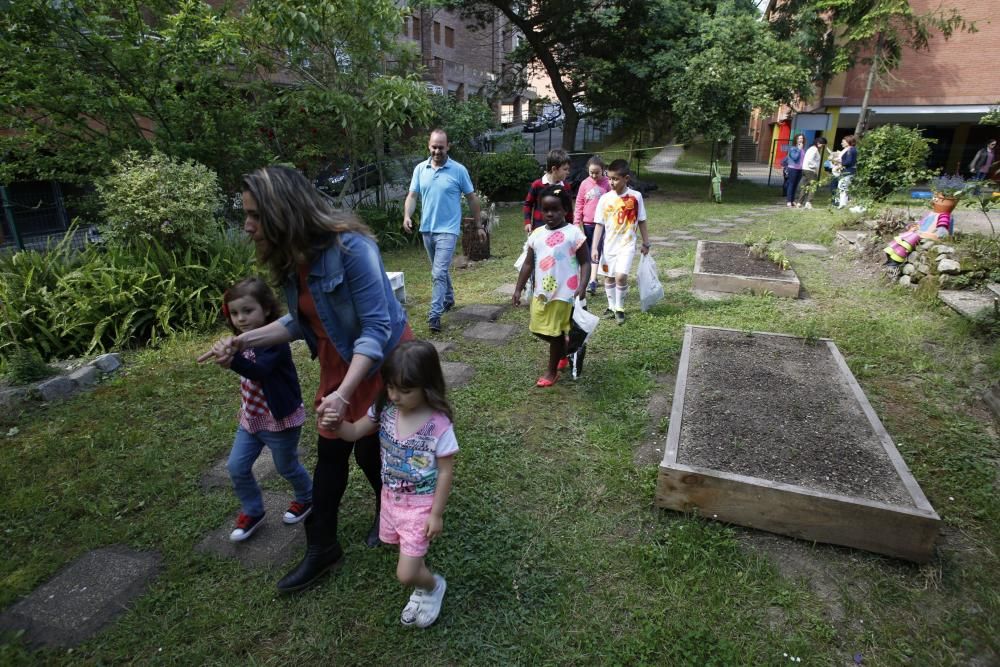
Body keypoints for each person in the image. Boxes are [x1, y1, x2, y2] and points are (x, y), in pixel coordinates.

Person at [199, 165, 413, 593]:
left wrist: (344, 393)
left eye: (255, 214)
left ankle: (384, 511)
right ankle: (323, 547)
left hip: (379, 362)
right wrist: (244, 342)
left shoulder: (352, 248)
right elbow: (300, 324)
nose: (248, 225)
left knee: (369, 450)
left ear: (283, 210)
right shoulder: (294, 260)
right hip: (340, 362)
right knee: (332, 452)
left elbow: (375, 329)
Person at [327, 340, 456, 628]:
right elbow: (355, 431)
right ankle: (422, 586)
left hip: (420, 506)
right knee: (406, 555)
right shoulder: (384, 410)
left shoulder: (439, 426)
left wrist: (436, 514)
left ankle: (433, 586)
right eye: (390, 387)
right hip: (391, 499)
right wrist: (336, 425)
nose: (395, 396)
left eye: (405, 390)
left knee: (405, 573)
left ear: (427, 386)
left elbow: (446, 472)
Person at [208, 277, 313, 542]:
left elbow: (259, 370)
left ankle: (307, 497)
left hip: (280, 419)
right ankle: (253, 510)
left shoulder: (275, 341)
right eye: (234, 313)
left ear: (266, 309)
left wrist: (232, 360)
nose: (240, 319)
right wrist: (229, 351)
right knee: (236, 467)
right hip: (252, 418)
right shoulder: (240, 340)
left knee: (286, 466)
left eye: (247, 310)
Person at [403, 129, 484, 333]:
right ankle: (448, 298)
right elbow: (412, 196)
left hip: (448, 230)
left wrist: (478, 225)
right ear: (429, 146)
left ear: (448, 147)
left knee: (438, 272)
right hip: (427, 229)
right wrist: (407, 215)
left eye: (441, 147)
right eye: (434, 147)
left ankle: (435, 315)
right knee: (439, 271)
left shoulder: (458, 170)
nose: (437, 151)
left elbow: (472, 198)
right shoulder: (420, 169)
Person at [513, 185, 590, 387]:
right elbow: (528, 263)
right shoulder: (536, 234)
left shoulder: (574, 233)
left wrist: (582, 286)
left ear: (565, 209)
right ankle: (565, 349)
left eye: (555, 209)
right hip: (543, 294)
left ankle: (551, 371)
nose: (550, 214)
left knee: (554, 333)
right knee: (538, 329)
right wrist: (518, 288)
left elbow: (585, 262)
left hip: (565, 295)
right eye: (545, 209)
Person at [590, 159, 651, 324]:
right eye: (609, 178)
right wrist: (594, 247)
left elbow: (642, 221)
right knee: (608, 278)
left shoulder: (636, 197)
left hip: (627, 245)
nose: (611, 182)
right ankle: (611, 306)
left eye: (615, 179)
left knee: (621, 276)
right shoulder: (604, 199)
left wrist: (646, 242)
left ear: (626, 178)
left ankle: (620, 307)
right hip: (609, 246)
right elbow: (599, 225)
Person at [574, 155, 611, 295]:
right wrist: (577, 223)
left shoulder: (608, 183)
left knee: (597, 250)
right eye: (591, 173)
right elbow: (579, 204)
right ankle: (589, 277)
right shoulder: (584, 184)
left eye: (597, 172)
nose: (594, 175)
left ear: (603, 170)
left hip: (602, 224)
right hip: (587, 224)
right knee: (588, 251)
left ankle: (593, 280)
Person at [523, 148, 573, 233]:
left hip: (559, 229)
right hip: (539, 229)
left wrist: (570, 227)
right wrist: (527, 222)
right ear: (554, 169)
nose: (568, 172)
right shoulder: (537, 185)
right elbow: (528, 204)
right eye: (565, 169)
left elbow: (568, 209)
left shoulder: (566, 187)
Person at [795, 136, 828, 209]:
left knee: (805, 186)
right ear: (818, 143)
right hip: (810, 170)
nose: (822, 147)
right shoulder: (814, 149)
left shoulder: (812, 149)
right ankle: (808, 202)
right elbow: (810, 160)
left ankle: (799, 203)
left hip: (806, 169)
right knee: (813, 186)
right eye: (822, 145)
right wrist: (815, 167)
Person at [781, 134, 806, 207]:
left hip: (800, 169)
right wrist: (799, 149)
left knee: (795, 185)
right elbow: (795, 158)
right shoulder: (793, 148)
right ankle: (788, 201)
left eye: (802, 138)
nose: (801, 140)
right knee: (791, 185)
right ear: (796, 140)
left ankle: (792, 200)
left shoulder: (802, 149)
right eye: (799, 138)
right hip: (793, 169)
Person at [836, 135, 858, 209]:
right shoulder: (851, 149)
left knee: (842, 186)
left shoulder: (850, 150)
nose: (842, 143)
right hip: (849, 171)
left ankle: (843, 204)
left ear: (848, 142)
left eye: (843, 142)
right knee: (844, 186)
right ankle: (845, 203)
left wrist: (840, 163)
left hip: (848, 171)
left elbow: (848, 161)